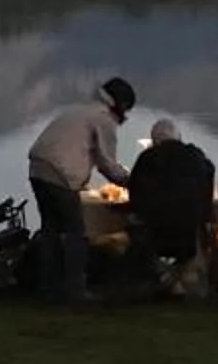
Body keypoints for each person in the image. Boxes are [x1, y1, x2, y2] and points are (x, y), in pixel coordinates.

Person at [25, 76, 135, 303]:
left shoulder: (79, 111)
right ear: (120, 104)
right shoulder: (103, 119)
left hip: (38, 168)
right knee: (76, 232)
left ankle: (47, 288)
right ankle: (75, 290)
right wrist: (131, 182)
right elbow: (106, 163)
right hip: (61, 172)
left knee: (51, 231)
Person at [126, 120, 218, 300]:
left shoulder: (148, 159)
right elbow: (208, 182)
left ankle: (164, 277)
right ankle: (177, 280)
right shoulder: (197, 156)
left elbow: (135, 193)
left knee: (132, 227)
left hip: (156, 230)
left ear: (154, 141)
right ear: (179, 137)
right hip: (191, 231)